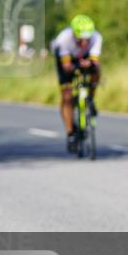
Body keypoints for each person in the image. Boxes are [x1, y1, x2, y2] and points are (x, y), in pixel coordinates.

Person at [50, 14, 102, 152]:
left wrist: (90, 64)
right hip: (67, 59)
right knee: (67, 97)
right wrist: (78, 65)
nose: (85, 43)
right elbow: (66, 66)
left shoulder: (96, 37)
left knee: (96, 71)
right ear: (74, 34)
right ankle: (71, 133)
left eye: (87, 39)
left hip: (84, 57)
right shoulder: (64, 39)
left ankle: (90, 98)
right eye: (81, 40)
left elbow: (95, 61)